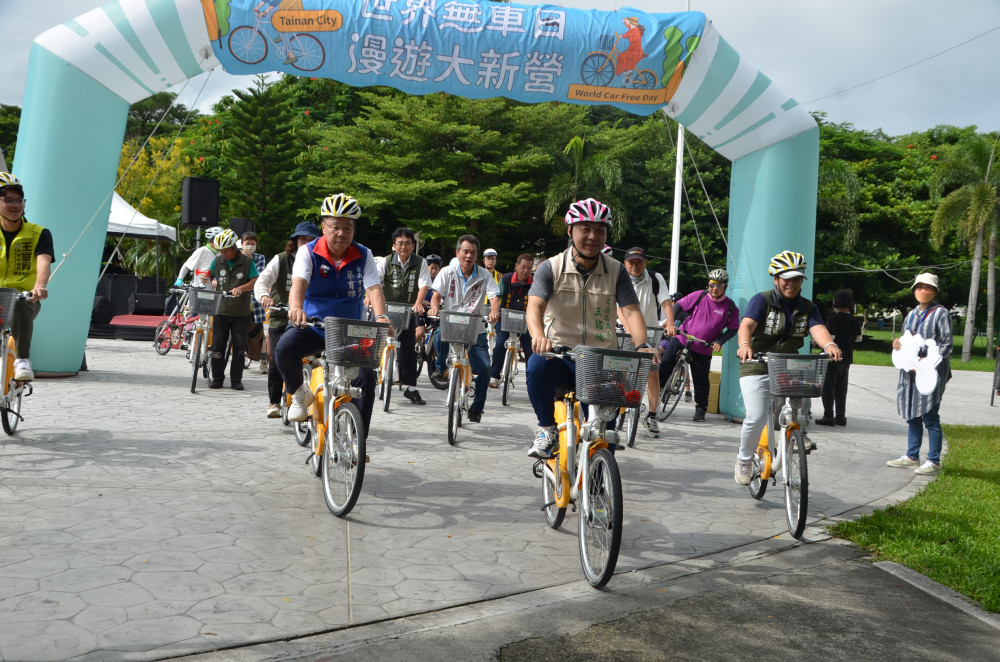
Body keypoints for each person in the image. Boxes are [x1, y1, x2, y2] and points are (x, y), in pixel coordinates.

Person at [525, 198, 657, 459]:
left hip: (602, 361)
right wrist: (539, 336)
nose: (592, 236)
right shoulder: (550, 268)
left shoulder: (617, 271)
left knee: (603, 439)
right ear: (570, 231)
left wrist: (642, 344)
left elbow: (631, 311)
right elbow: (535, 307)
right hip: (561, 355)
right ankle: (546, 429)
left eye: (600, 230)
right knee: (536, 365)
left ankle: (598, 482)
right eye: (585, 228)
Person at [275, 193, 390, 436]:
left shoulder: (364, 254)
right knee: (284, 349)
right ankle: (298, 392)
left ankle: (357, 439)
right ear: (324, 228)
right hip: (313, 326)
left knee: (366, 378)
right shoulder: (308, 252)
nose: (341, 233)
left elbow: (374, 289)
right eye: (335, 226)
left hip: (349, 331)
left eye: (347, 227)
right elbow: (298, 284)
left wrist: (381, 317)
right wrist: (296, 308)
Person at [733, 251, 843, 485]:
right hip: (757, 363)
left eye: (796, 278)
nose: (791, 284)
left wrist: (830, 344)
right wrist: (744, 345)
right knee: (757, 415)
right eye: (786, 278)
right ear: (776, 279)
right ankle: (744, 459)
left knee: (803, 398)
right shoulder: (761, 300)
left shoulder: (808, 307)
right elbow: (746, 326)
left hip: (787, 365)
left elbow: (818, 328)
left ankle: (798, 433)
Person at [428, 235, 500, 423]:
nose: (468, 256)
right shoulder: (446, 272)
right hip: (451, 323)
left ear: (477, 255)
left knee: (485, 368)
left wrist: (493, 311)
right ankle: (441, 368)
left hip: (474, 327)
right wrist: (434, 306)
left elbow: (494, 297)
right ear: (457, 252)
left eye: (473, 252)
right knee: (438, 335)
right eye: (465, 251)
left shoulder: (485, 275)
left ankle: (477, 408)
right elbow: (436, 295)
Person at [886, 273, 952, 475]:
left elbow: (947, 344)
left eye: (928, 288)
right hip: (910, 372)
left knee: (930, 416)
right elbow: (907, 339)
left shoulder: (941, 313)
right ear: (914, 290)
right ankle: (912, 456)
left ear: (935, 291)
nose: (923, 291)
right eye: (919, 287)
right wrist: (897, 343)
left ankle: (934, 461)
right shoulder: (911, 314)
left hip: (931, 374)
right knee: (912, 414)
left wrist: (929, 361)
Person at [255, 222, 322, 418]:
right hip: (281, 318)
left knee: (318, 359)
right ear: (294, 241)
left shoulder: (321, 262)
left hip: (308, 320)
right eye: (302, 239)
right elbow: (262, 281)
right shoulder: (281, 260)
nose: (306, 244)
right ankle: (274, 401)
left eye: (311, 240)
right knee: (277, 358)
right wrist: (264, 296)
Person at [659, 268, 740, 422]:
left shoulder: (730, 307)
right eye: (711, 285)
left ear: (726, 287)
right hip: (683, 337)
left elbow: (733, 328)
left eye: (719, 286)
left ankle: (701, 408)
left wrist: (719, 341)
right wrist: (671, 324)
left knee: (701, 379)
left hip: (703, 346)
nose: (714, 288)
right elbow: (678, 307)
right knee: (665, 362)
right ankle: (659, 391)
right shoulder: (700, 295)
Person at [0, 172, 54, 381]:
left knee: (19, 299)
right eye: (8, 200)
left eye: (19, 200)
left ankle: (23, 359)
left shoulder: (39, 233)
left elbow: (43, 262)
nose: (16, 205)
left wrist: (39, 286)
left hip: (25, 299)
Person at [619, 246, 670, 436]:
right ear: (625, 264)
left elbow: (666, 302)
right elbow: (618, 308)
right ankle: (619, 408)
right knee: (622, 371)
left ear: (646, 262)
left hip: (650, 333)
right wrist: (627, 327)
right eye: (631, 262)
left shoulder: (655, 279)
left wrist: (670, 323)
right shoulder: (620, 278)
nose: (635, 266)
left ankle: (652, 415)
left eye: (639, 262)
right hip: (625, 332)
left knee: (653, 374)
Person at [377, 227, 431, 405]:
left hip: (408, 309)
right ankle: (369, 377)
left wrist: (418, 302)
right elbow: (374, 283)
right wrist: (369, 299)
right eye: (400, 243)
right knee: (373, 340)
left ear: (413, 245)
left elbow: (424, 284)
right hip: (385, 308)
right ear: (394, 245)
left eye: (408, 243)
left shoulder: (420, 262)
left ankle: (411, 389)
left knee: (407, 347)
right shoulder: (385, 262)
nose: (404, 247)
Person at [208, 229, 258, 390]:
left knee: (238, 347)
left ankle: (236, 380)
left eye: (226, 250)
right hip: (221, 310)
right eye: (220, 250)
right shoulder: (217, 261)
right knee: (218, 347)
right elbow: (208, 274)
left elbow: (255, 281)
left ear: (234, 248)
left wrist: (241, 288)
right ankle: (217, 378)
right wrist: (211, 279)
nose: (223, 253)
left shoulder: (247, 262)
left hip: (240, 312)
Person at [815, 289, 862, 427]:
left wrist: (816, 342)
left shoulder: (835, 318)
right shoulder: (853, 319)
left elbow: (831, 338)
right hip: (847, 357)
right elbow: (859, 338)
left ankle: (828, 416)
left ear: (836, 302)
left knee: (829, 387)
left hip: (832, 357)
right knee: (842, 388)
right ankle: (841, 416)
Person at [489, 253, 534, 388]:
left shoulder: (535, 282)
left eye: (529, 268)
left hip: (527, 321)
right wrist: (494, 311)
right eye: (523, 267)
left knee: (531, 351)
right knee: (500, 345)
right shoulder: (506, 279)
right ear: (516, 266)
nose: (526, 271)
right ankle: (495, 376)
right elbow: (497, 297)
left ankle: (532, 382)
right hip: (506, 318)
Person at [240, 232, 268, 372]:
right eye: (247, 243)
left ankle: (264, 361)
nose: (250, 246)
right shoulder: (236, 257)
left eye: (253, 243)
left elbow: (259, 277)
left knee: (258, 332)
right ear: (241, 244)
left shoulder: (259, 258)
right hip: (238, 299)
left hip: (255, 300)